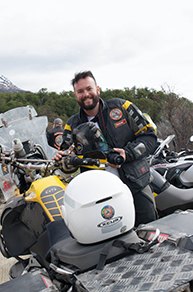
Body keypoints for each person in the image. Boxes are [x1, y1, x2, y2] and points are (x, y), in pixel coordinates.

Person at [56, 71, 158, 226]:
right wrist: (62, 160)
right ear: (75, 95)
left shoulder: (122, 107)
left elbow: (150, 137)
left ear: (97, 89)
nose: (86, 94)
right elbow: (68, 162)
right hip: (98, 196)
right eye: (80, 91)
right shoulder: (72, 125)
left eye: (89, 89)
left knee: (149, 229)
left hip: (136, 184)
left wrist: (127, 153)